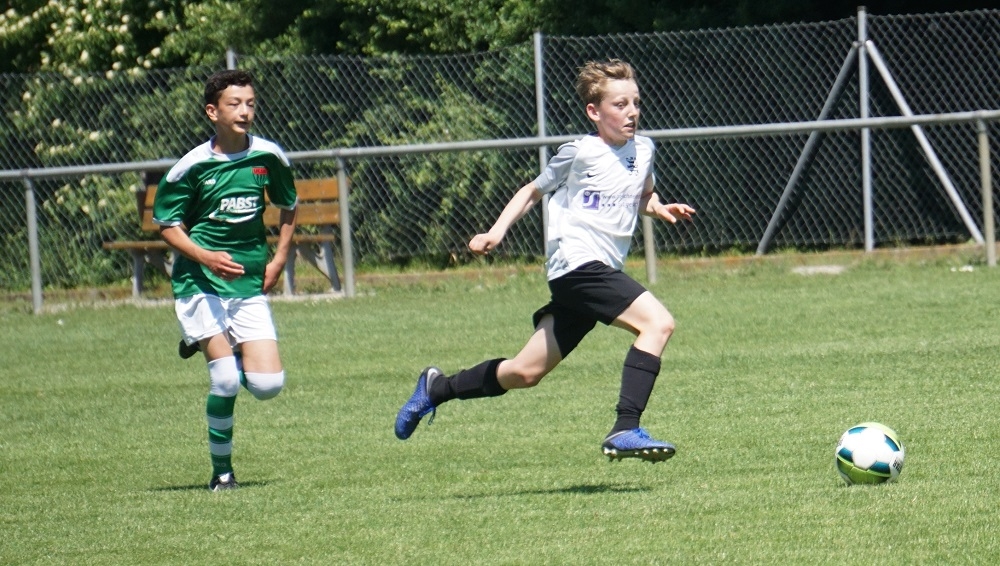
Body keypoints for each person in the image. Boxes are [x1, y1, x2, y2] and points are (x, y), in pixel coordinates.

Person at [394, 59, 696, 462]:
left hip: (597, 273)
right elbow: (532, 191)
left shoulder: (644, 150)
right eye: (620, 104)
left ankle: (437, 388)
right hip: (577, 266)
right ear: (594, 111)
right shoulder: (581, 152)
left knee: (524, 372)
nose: (632, 112)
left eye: (636, 103)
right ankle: (625, 427)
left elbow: (641, 195)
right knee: (658, 323)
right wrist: (496, 232)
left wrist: (658, 208)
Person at [153, 69, 298, 490]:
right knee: (226, 381)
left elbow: (288, 204)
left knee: (268, 385)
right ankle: (222, 474)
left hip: (248, 283)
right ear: (212, 112)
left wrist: (279, 258)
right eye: (234, 104)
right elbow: (166, 224)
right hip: (199, 281)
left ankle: (205, 341)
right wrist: (205, 257)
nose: (245, 111)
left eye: (250, 103)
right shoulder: (193, 166)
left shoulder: (268, 157)